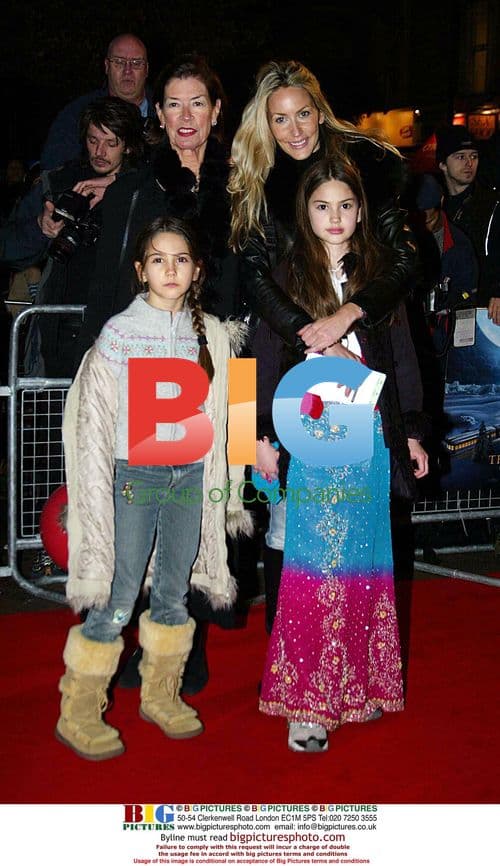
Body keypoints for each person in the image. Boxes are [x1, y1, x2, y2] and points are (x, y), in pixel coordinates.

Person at [228, 59, 419, 632]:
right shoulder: (256, 184)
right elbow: (252, 287)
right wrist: (310, 336)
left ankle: (344, 654)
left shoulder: (365, 172)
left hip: (349, 363)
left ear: (320, 111)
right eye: (279, 118)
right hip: (271, 357)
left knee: (355, 527)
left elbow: (405, 261)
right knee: (277, 518)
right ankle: (286, 653)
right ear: (264, 125)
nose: (294, 130)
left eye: (303, 113)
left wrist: (346, 316)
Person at [74, 53, 241, 696]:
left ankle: (180, 653)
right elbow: (105, 286)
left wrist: (246, 400)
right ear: (159, 114)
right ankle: (116, 648)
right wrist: (93, 371)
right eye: (173, 103)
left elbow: (253, 284)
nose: (186, 115)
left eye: (198, 102)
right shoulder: (136, 187)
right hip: (142, 371)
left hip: (222, 364)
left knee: (206, 510)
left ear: (216, 112)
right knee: (133, 519)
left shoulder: (242, 187)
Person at [55, 215, 251, 761]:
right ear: (141, 270)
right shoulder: (119, 332)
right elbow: (89, 415)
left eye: (181, 259)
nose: (170, 269)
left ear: (197, 270)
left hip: (191, 475)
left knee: (173, 589)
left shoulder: (213, 333)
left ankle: (161, 693)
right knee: (119, 591)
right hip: (135, 475)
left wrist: (237, 480)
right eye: (159, 260)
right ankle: (78, 708)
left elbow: (235, 404)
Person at [254, 156, 428, 752]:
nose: (335, 217)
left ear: (361, 211)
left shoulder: (379, 276)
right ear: (304, 212)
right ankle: (306, 703)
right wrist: (256, 437)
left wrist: (411, 432)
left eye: (346, 205)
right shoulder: (284, 274)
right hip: (307, 433)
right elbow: (259, 355)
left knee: (363, 560)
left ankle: (356, 684)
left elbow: (401, 353)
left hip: (369, 431)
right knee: (311, 564)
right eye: (322, 205)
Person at [0, 96, 145, 377]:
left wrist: (122, 187)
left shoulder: (143, 190)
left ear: (127, 146)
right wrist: (40, 228)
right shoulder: (59, 183)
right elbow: (9, 247)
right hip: (60, 335)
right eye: (93, 140)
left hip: (126, 335)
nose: (100, 151)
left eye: (111, 143)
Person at [40, 33, 154, 171]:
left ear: (147, 70)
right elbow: (54, 168)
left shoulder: (167, 113)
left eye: (136, 63)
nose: (127, 70)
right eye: (119, 62)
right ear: (106, 66)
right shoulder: (76, 114)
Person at [435, 124, 500, 325]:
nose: (469, 163)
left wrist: (497, 290)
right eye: (460, 157)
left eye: (474, 156)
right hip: (444, 310)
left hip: (484, 308)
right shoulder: (434, 205)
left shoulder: (492, 204)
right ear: (443, 164)